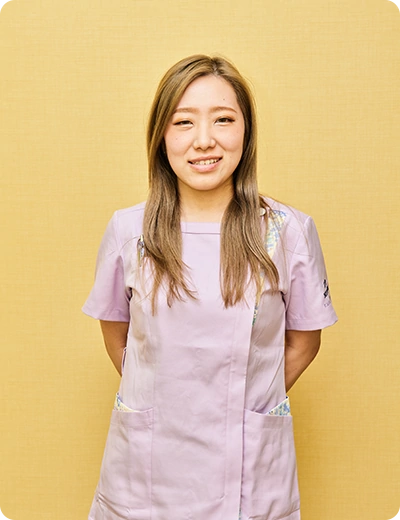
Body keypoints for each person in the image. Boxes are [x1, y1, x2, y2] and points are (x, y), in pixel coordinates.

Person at [82, 54, 338, 520]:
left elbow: (304, 342)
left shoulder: (289, 231)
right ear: (161, 136)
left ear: (246, 131)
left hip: (248, 469)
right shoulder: (128, 231)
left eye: (223, 119)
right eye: (184, 122)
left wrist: (241, 403)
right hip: (146, 466)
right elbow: (117, 335)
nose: (204, 140)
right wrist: (170, 399)